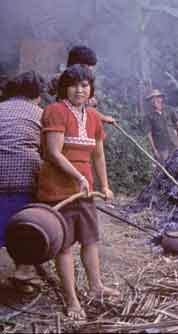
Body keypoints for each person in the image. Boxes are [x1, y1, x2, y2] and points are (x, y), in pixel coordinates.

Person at [37, 65, 119, 319]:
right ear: (64, 88)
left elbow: (98, 154)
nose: (80, 89)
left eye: (85, 85)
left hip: (84, 191)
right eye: (74, 85)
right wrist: (78, 176)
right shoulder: (55, 111)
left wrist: (103, 185)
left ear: (90, 89)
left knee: (90, 240)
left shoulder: (93, 116)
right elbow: (53, 153)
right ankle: (72, 300)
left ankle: (96, 286)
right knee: (63, 246)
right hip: (57, 191)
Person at [0, 71, 46, 292]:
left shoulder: (0, 108)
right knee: (26, 223)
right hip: (25, 177)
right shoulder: (40, 113)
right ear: (36, 95)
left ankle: (23, 271)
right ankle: (25, 268)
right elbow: (48, 151)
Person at [48, 45, 114, 124]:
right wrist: (103, 118)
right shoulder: (66, 81)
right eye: (88, 66)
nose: (91, 69)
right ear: (76, 66)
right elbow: (83, 108)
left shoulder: (63, 78)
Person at [144, 89, 178, 162]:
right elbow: (149, 134)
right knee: (165, 166)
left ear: (161, 98)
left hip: (174, 143)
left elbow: (177, 125)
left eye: (157, 98)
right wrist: (154, 150)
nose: (154, 100)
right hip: (161, 147)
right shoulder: (148, 116)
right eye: (152, 99)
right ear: (150, 101)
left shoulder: (169, 109)